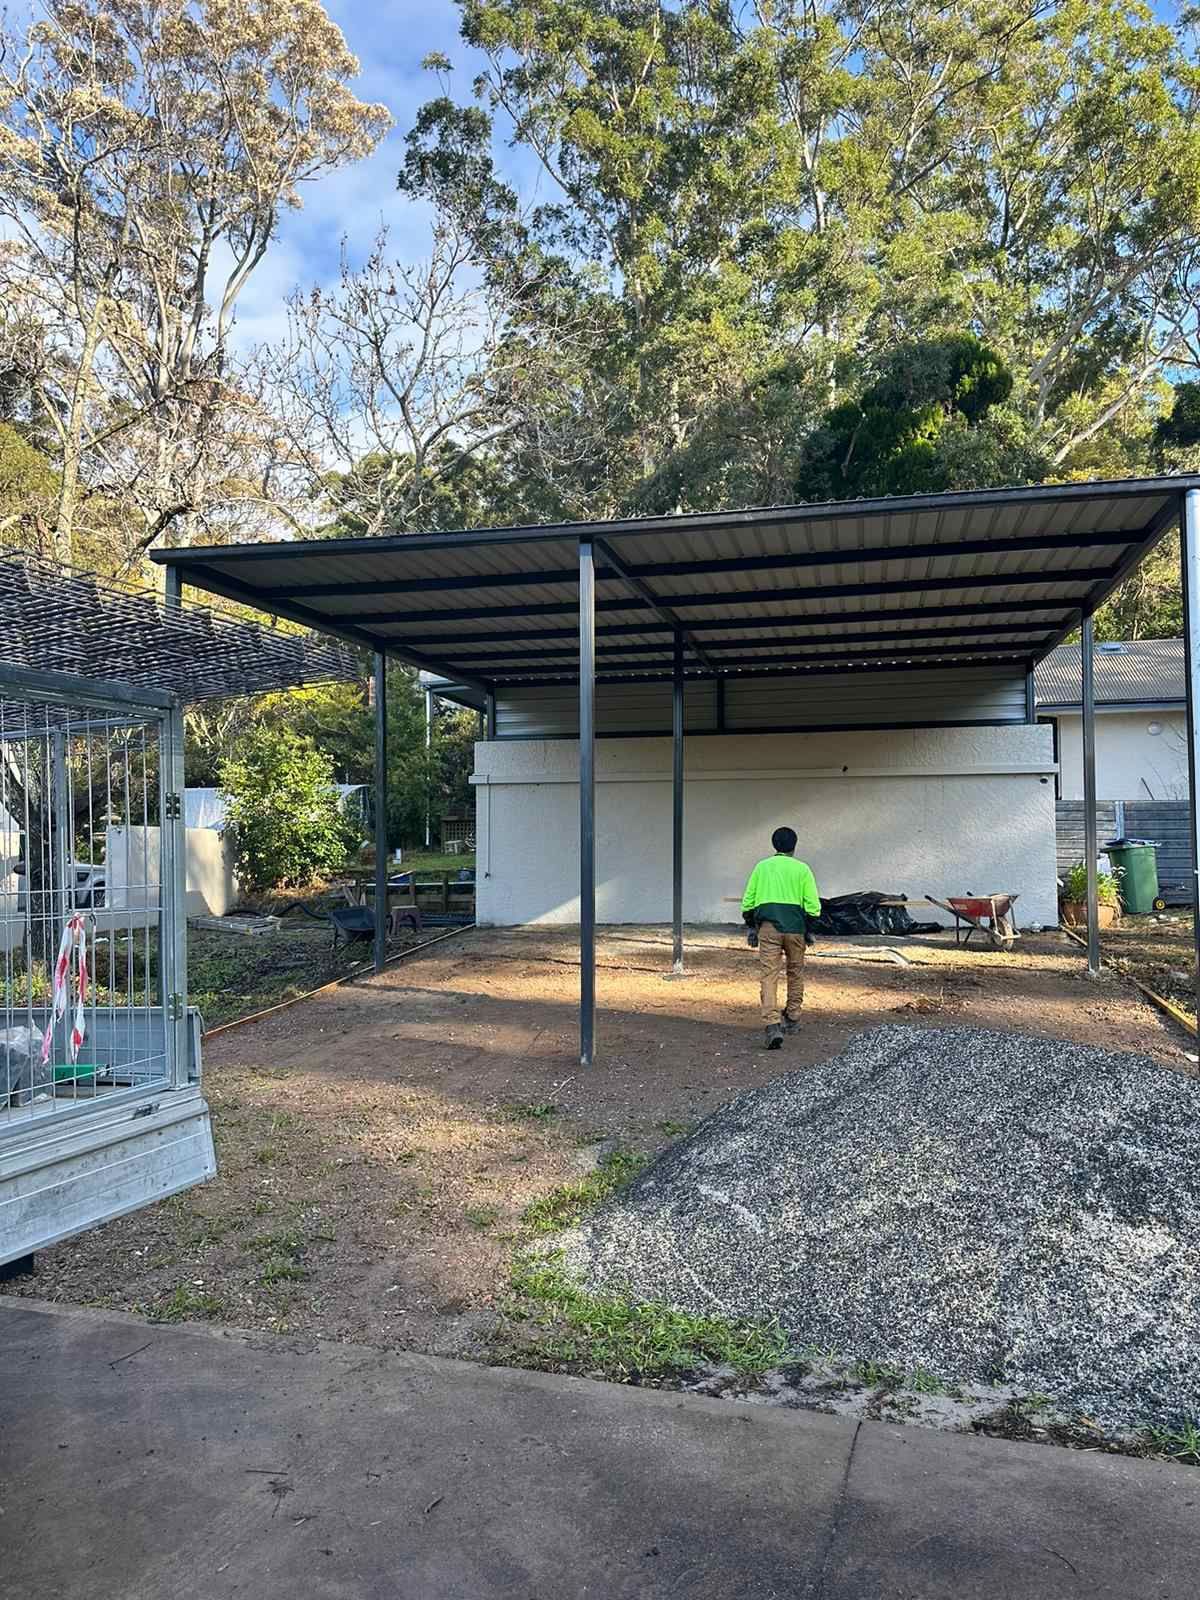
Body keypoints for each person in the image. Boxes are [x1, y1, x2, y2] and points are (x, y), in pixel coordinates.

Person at [741, 827, 822, 1050]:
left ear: (774, 844)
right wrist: (809, 930)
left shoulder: (762, 867)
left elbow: (748, 903)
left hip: (768, 929)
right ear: (794, 846)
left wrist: (752, 927)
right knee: (795, 972)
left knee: (769, 975)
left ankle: (772, 1025)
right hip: (796, 929)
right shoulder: (802, 869)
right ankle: (793, 1018)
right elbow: (813, 907)